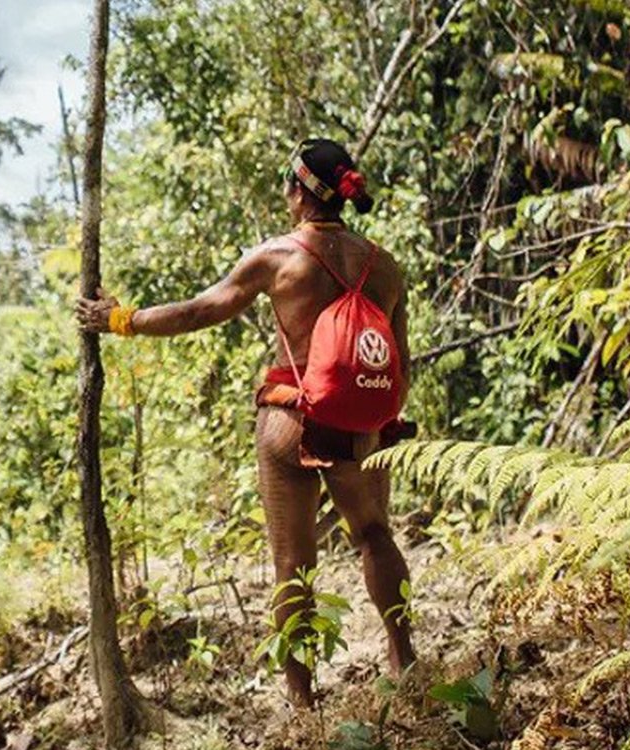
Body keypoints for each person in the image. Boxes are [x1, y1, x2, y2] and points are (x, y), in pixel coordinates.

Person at [75, 138, 416, 708]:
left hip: (292, 420)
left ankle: (304, 703)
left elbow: (201, 311)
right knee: (375, 536)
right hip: (362, 426)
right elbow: (399, 359)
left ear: (301, 192)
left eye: (287, 184)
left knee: (292, 562)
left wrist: (120, 319)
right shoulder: (386, 266)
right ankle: (405, 661)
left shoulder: (279, 258)